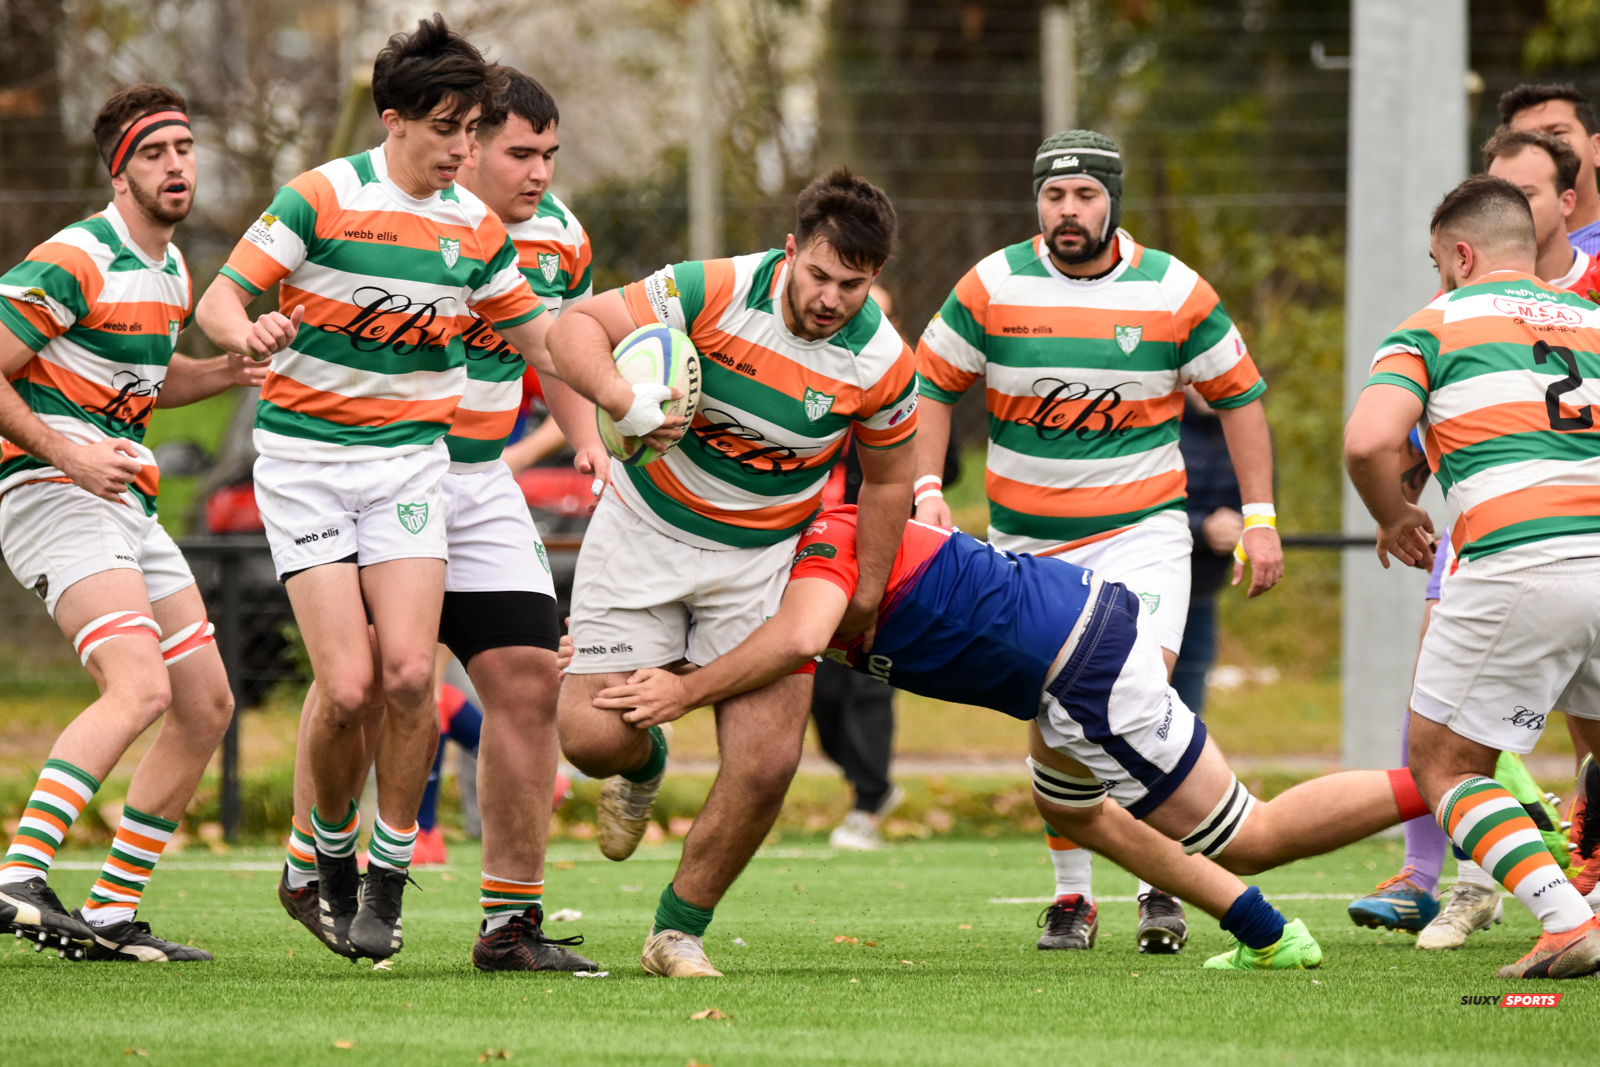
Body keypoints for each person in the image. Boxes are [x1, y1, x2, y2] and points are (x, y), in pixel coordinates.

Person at [577, 506, 1434, 973]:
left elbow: (799, 639)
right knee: (1079, 811)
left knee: (1252, 835)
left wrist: (682, 690)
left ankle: (1448, 775)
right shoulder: (785, 552)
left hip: (1084, 664)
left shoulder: (824, 544)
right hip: (1067, 643)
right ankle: (1271, 937)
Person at [195, 17, 566, 963]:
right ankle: (320, 853)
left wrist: (622, 408)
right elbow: (221, 298)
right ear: (397, 121)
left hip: (424, 465)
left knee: (441, 676)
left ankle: (439, 900)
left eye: (477, 131)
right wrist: (246, 331)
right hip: (317, 467)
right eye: (455, 130)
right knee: (350, 683)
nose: (469, 150)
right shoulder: (325, 198)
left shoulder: (504, 231)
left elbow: (547, 343)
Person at [914, 129, 1282, 955]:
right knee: (1057, 708)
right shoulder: (992, 284)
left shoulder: (1174, 290)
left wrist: (1259, 516)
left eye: (1083, 195)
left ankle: (1162, 884)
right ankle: (1073, 896)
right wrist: (928, 492)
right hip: (1028, 546)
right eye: (1053, 196)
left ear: (1112, 199)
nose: (1067, 211)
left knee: (1133, 693)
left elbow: (1242, 399)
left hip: (1142, 537)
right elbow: (927, 382)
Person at [548, 167, 919, 978]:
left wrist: (865, 589)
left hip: (764, 558)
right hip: (643, 530)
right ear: (792, 251)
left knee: (766, 762)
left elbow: (889, 480)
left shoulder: (883, 363)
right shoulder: (711, 289)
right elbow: (572, 326)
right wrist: (621, 396)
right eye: (818, 274)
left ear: (875, 280)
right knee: (590, 738)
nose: (830, 297)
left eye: (851, 285)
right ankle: (644, 763)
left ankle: (676, 932)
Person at [0, 85, 261, 961]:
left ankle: (110, 914)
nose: (177, 164)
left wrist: (228, 369)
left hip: (122, 501)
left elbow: (150, 376)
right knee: (141, 686)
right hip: (49, 491)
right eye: (155, 153)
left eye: (185, 147)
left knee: (204, 703)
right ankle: (18, 873)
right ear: (120, 172)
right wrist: (66, 453)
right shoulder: (77, 255)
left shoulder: (170, 271)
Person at [1344, 173, 1600, 978]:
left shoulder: (1433, 324)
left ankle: (1564, 922)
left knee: (1446, 764)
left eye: (1436, 261)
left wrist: (1394, 515)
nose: (1437, 276)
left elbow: (1367, 441)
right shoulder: (1596, 319)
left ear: (1461, 253)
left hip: (1522, 559)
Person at [1169, 388, 1242, 715]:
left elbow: (1263, 501)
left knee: (1187, 711)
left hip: (1202, 591)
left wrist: (1245, 527)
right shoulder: (1160, 423)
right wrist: (1202, 529)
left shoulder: (1246, 427)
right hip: (1149, 587)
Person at [1501, 83, 1600, 256]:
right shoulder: (1489, 250)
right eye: (1527, 139)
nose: (1543, 146)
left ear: (1596, 149)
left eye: (1557, 132)